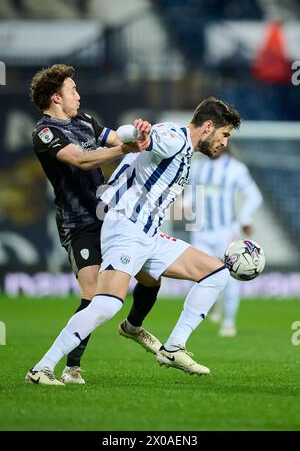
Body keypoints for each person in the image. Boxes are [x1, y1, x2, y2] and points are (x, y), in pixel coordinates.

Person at [25, 97, 241, 385]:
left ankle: (173, 347)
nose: (225, 142)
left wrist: (137, 133)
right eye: (224, 134)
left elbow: (137, 140)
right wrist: (140, 131)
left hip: (149, 234)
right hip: (126, 228)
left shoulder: (183, 146)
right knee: (107, 304)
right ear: (209, 126)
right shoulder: (174, 138)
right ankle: (42, 368)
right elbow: (145, 137)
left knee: (215, 273)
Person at [29, 63, 161, 385]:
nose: (78, 94)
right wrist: (122, 149)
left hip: (110, 218)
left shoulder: (85, 119)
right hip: (78, 223)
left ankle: (132, 326)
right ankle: (69, 368)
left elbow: (116, 137)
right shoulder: (46, 132)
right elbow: (81, 159)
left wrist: (140, 135)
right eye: (72, 90)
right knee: (92, 292)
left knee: (151, 278)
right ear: (56, 98)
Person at [187, 147, 263, 336]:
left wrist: (245, 218)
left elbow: (254, 195)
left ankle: (228, 322)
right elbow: (190, 194)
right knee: (200, 276)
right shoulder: (196, 167)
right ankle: (208, 308)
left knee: (231, 275)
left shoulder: (236, 168)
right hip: (200, 232)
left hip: (226, 232)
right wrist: (182, 206)